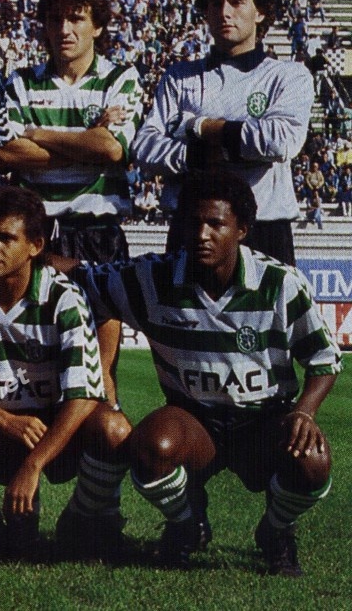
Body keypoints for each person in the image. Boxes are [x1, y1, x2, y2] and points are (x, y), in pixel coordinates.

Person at [65, 173, 340, 575]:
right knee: (151, 446)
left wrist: (305, 411)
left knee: (311, 461)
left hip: (263, 420)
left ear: (242, 229)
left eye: (215, 224)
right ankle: (186, 523)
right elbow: (81, 275)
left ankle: (276, 532)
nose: (201, 234)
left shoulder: (280, 283)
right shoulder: (151, 278)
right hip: (195, 422)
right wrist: (25, 252)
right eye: (193, 223)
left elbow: (324, 359)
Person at [0, 185, 130, 560]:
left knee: (113, 429)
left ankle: (80, 519)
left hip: (53, 429)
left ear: (35, 245)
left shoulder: (64, 298)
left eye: (6, 238)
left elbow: (83, 396)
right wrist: (4, 419)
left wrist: (33, 464)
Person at [0, 0, 144, 409]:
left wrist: (39, 133)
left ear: (98, 26)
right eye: (56, 19)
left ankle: (101, 432)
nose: (65, 30)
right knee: (36, 366)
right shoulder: (21, 82)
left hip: (98, 230)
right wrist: (86, 142)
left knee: (100, 379)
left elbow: (112, 148)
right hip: (39, 235)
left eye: (76, 18)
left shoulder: (120, 78)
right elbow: (5, 152)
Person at [133, 0, 311, 266]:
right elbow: (145, 148)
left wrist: (198, 127)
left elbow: (281, 142)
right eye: (216, 3)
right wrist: (195, 156)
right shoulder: (179, 76)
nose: (225, 13)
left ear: (260, 12)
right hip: (192, 229)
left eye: (236, 2)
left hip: (263, 227)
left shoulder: (289, 76)